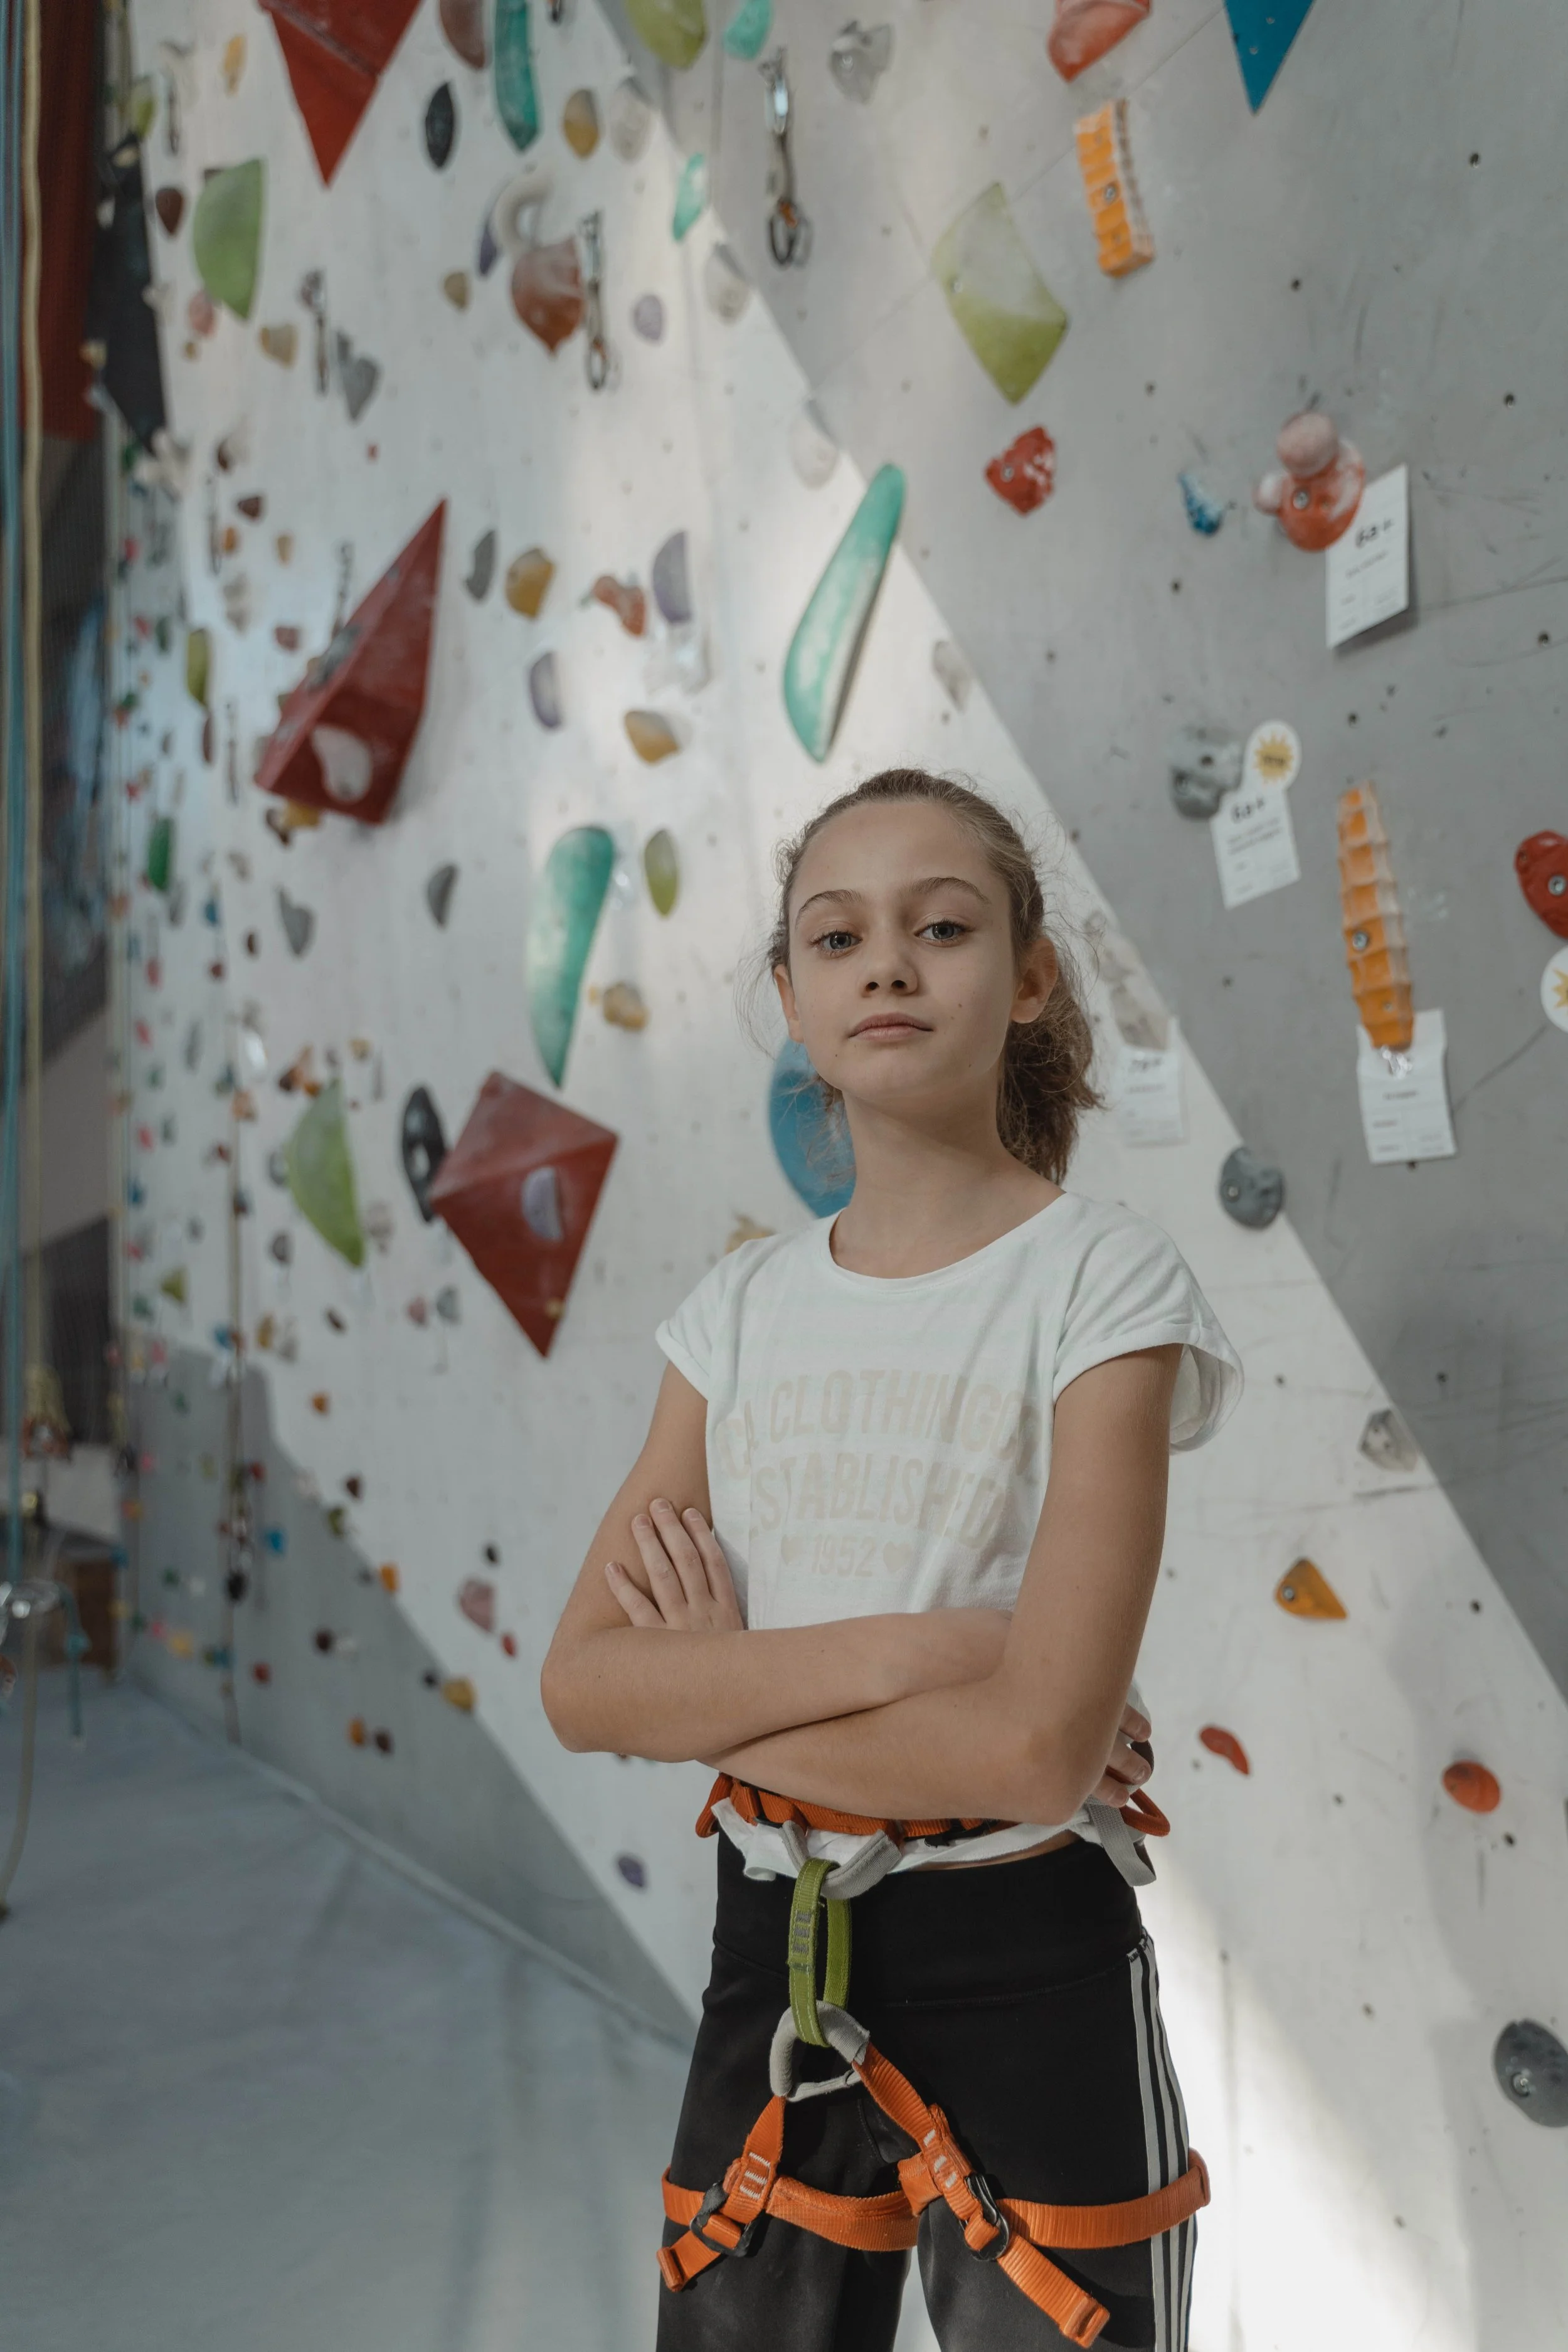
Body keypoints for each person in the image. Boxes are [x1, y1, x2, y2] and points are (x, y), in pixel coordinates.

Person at [542, 770, 1242, 2352]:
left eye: (941, 926)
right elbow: (584, 1687)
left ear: (1032, 975)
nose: (888, 965)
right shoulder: (730, 1313)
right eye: (836, 936)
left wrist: (705, 1695)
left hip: (1020, 1961)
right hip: (767, 1947)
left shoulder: (1101, 1281)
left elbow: (1039, 1748)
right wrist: (926, 1648)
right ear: (789, 997)